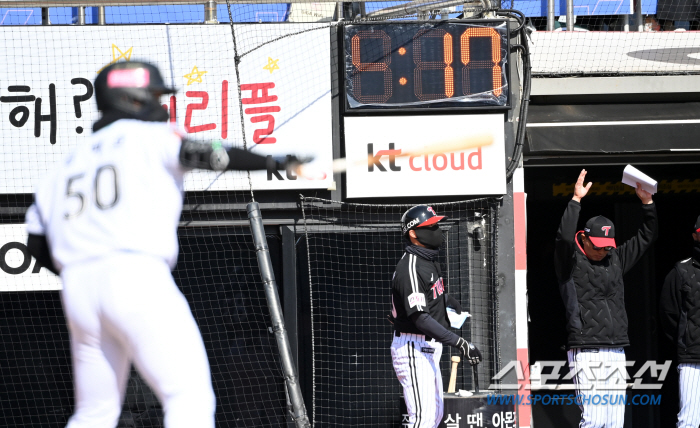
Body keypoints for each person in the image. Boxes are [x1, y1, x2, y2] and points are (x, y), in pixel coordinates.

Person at [24, 60, 308, 428]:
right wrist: (272, 160)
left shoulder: (61, 167)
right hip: (135, 274)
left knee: (93, 413)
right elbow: (214, 154)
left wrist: (83, 269)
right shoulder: (151, 137)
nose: (162, 104)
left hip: (78, 288)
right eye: (155, 95)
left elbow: (35, 246)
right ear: (133, 98)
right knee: (188, 398)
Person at [554, 169, 657, 428]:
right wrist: (576, 200)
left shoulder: (616, 258)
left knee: (614, 421)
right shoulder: (570, 261)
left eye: (607, 245)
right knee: (595, 419)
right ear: (585, 238)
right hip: (587, 347)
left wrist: (647, 203)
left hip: (616, 347)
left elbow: (647, 236)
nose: (602, 250)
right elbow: (564, 237)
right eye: (597, 244)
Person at [389, 205, 482, 428]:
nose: (437, 229)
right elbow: (420, 318)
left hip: (427, 349)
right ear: (413, 232)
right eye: (431, 226)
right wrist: (460, 343)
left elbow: (427, 296)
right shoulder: (409, 267)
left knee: (435, 416)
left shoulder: (428, 260)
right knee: (422, 421)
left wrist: (446, 300)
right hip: (413, 347)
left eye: (437, 224)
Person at [660, 215, 700, 428]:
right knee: (689, 422)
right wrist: (686, 341)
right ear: (695, 235)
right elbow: (669, 315)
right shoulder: (681, 271)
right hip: (693, 359)